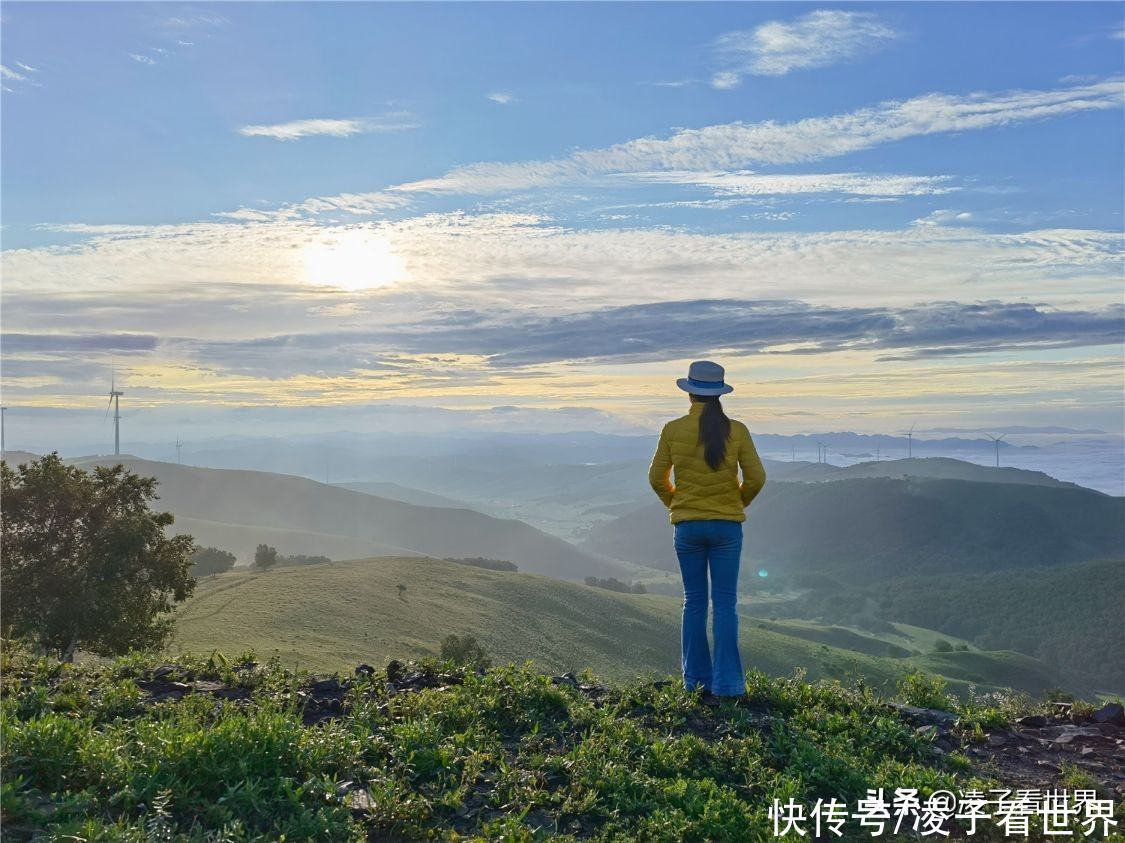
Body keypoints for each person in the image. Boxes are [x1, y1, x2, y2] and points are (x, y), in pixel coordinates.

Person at [647, 360, 767, 702]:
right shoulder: (738, 430)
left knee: (694, 601)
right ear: (719, 394)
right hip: (727, 527)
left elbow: (656, 479)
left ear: (689, 393)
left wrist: (677, 506)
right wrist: (736, 505)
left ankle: (694, 682)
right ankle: (729, 685)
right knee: (725, 603)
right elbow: (756, 478)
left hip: (688, 528)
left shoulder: (672, 429)